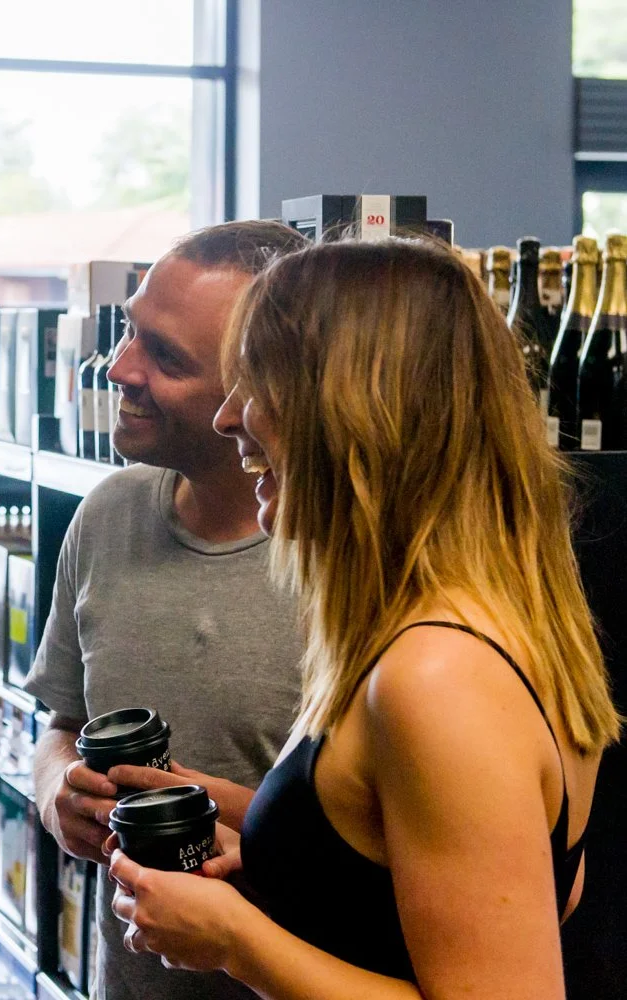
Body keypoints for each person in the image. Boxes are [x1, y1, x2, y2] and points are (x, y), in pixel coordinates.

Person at [108, 237, 619, 999]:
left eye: (259, 385)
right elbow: (462, 877)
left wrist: (232, 939)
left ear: (356, 410)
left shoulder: (437, 676)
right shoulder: (477, 619)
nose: (227, 418)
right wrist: (279, 846)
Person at [24, 220, 309, 1000]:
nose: (119, 368)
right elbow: (62, 720)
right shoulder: (106, 513)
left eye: (166, 358)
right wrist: (55, 790)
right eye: (128, 334)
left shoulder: (349, 569)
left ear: (260, 393)